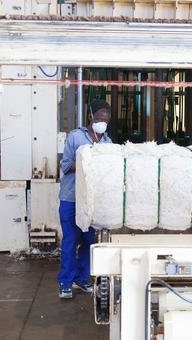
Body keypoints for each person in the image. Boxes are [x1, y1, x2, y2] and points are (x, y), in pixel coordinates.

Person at [57, 99, 112, 299]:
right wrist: (86, 163)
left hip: (93, 201)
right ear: (91, 116)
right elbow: (65, 166)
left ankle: (82, 279)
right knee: (71, 240)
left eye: (105, 120)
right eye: (98, 118)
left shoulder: (107, 142)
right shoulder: (75, 137)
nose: (101, 122)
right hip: (71, 199)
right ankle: (65, 282)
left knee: (90, 241)